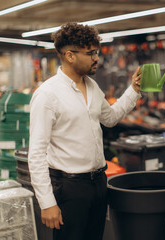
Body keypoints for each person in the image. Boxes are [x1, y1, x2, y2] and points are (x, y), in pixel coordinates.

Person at [28, 22, 141, 240]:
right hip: (70, 188)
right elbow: (36, 154)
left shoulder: (92, 86)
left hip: (98, 182)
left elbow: (110, 118)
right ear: (70, 55)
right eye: (91, 53)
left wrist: (133, 90)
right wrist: (47, 203)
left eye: (96, 52)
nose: (97, 58)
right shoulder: (47, 95)